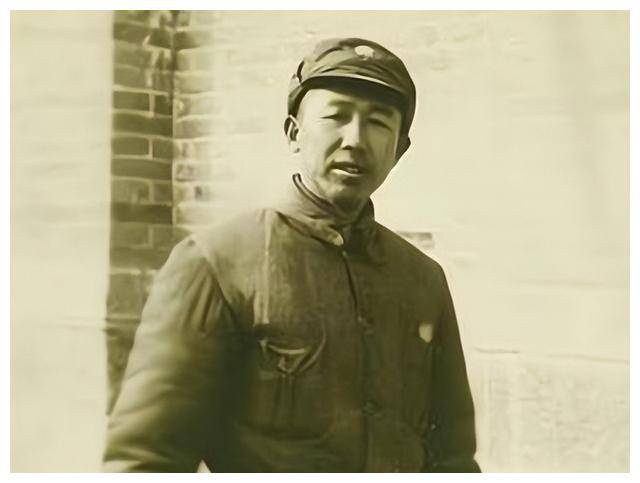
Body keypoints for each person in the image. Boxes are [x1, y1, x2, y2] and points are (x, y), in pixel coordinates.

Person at [103, 37, 480, 473]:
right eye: (336, 116)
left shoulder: (422, 279)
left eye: (378, 122)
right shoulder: (215, 264)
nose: (355, 140)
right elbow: (146, 460)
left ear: (398, 149)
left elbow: (454, 456)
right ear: (294, 133)